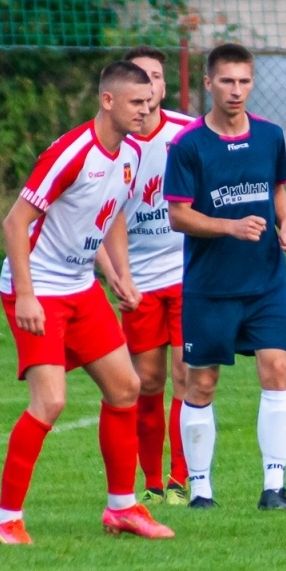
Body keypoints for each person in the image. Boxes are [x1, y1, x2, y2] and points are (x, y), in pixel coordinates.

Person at [0, 61, 175, 545]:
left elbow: (110, 212)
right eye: (137, 103)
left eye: (150, 101)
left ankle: (123, 509)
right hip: (40, 287)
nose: (146, 110)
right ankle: (5, 519)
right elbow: (14, 223)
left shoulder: (131, 153)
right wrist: (26, 294)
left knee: (125, 388)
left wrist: (119, 275)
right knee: (50, 401)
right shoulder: (70, 153)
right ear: (108, 101)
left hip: (78, 285)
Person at [165, 42, 286, 511]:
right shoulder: (188, 146)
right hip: (210, 287)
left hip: (265, 282)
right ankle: (201, 488)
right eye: (227, 81)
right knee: (201, 383)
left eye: (244, 81)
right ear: (209, 84)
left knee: (276, 369)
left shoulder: (270, 136)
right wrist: (230, 226)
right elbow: (179, 216)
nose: (236, 90)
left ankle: (274, 486)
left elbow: (277, 190)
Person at [113, 46, 198, 506]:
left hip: (190, 276)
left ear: (163, 87)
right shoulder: (113, 143)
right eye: (140, 77)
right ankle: (151, 480)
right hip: (139, 283)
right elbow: (108, 218)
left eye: (156, 77)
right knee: (147, 381)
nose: (149, 85)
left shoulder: (189, 134)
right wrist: (120, 276)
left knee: (187, 373)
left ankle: (182, 479)